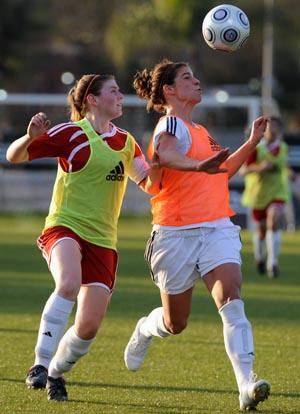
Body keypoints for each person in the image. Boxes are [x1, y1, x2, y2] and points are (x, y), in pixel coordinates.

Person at [6, 73, 229, 402]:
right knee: (68, 283)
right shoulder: (71, 134)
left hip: (103, 241)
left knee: (88, 328)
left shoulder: (125, 142)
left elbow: (150, 184)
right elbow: (14, 157)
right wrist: (28, 139)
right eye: (113, 91)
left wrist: (164, 164)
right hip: (64, 227)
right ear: (93, 100)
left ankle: (55, 371)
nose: (120, 96)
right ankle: (38, 365)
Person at [123, 59, 271, 412]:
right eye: (187, 78)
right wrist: (196, 165)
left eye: (195, 76)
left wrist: (251, 141)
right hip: (174, 234)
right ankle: (146, 328)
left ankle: (246, 386)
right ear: (170, 91)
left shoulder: (202, 131)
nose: (197, 81)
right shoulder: (169, 123)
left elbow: (221, 170)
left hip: (216, 226)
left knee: (231, 300)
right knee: (176, 323)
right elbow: (169, 154)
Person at [240, 116, 291, 278]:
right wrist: (260, 168)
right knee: (261, 231)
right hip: (258, 194)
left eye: (276, 126)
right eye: (270, 126)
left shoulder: (283, 147)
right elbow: (243, 170)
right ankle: (259, 257)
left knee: (273, 220)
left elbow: (284, 166)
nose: (273, 129)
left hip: (277, 192)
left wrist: (291, 173)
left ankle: (273, 263)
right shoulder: (256, 149)